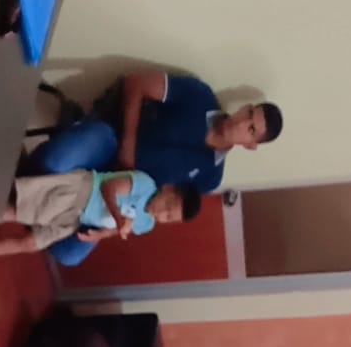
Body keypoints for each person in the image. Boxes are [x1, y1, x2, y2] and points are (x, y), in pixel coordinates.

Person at [24, 70, 284, 266]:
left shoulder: (210, 177)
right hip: (110, 141)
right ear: (244, 108)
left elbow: (157, 210)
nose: (241, 123)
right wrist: (128, 145)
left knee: (69, 254)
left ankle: (34, 204)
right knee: (52, 164)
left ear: (251, 145)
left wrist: (112, 229)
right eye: (248, 114)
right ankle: (21, 187)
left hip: (114, 197)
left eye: (251, 129)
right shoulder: (201, 98)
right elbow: (136, 83)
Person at [0, 168, 201, 279]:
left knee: (32, 242)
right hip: (81, 193)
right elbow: (109, 188)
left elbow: (118, 229)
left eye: (169, 217)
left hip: (78, 218)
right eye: (168, 205)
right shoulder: (144, 185)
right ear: (168, 189)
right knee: (21, 212)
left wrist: (99, 235)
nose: (162, 213)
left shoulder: (146, 224)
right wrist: (118, 217)